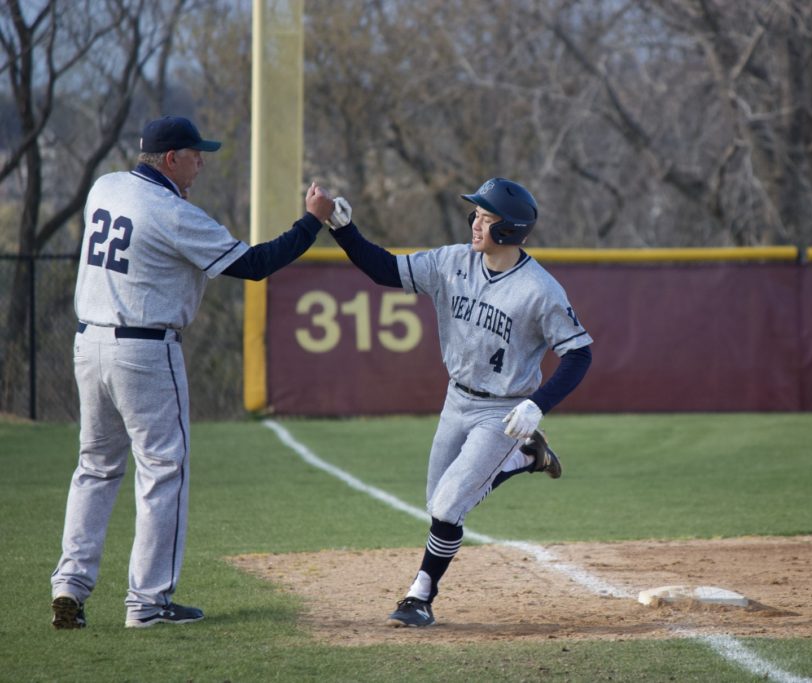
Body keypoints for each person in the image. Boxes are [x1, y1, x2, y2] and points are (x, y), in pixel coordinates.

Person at [50, 115, 335, 629]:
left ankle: (70, 583)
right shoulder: (171, 212)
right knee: (163, 472)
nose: (201, 161)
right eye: (194, 153)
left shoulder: (105, 186)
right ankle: (148, 602)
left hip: (88, 343)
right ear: (170, 158)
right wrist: (311, 221)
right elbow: (254, 264)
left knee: (94, 467)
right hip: (144, 350)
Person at [326, 177, 593, 627]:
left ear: (508, 230)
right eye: (476, 214)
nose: (474, 223)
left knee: (449, 508)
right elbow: (385, 270)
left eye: (485, 218)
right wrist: (342, 230)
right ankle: (525, 459)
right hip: (457, 400)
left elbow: (579, 353)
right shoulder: (453, 261)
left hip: (503, 410)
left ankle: (420, 595)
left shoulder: (539, 289)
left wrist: (538, 404)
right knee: (437, 505)